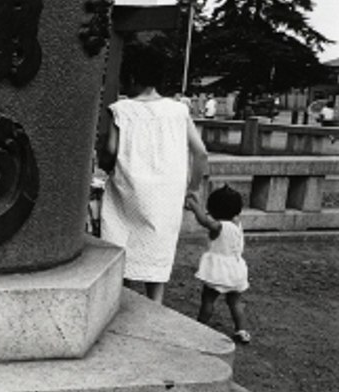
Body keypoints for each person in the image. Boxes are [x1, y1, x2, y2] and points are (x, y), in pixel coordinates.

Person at [99, 61, 208, 304]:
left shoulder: (120, 109)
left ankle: (118, 303)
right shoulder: (179, 110)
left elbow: (111, 149)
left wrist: (105, 163)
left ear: (134, 77)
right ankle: (155, 308)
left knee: (121, 250)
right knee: (157, 257)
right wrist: (193, 188)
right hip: (167, 196)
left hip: (128, 192)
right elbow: (201, 153)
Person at [185, 184, 251, 343]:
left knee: (208, 300)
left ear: (214, 209)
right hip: (236, 270)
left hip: (219, 272)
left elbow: (204, 221)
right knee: (235, 302)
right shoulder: (237, 223)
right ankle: (241, 330)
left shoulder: (219, 226)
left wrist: (194, 207)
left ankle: (200, 326)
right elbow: (209, 217)